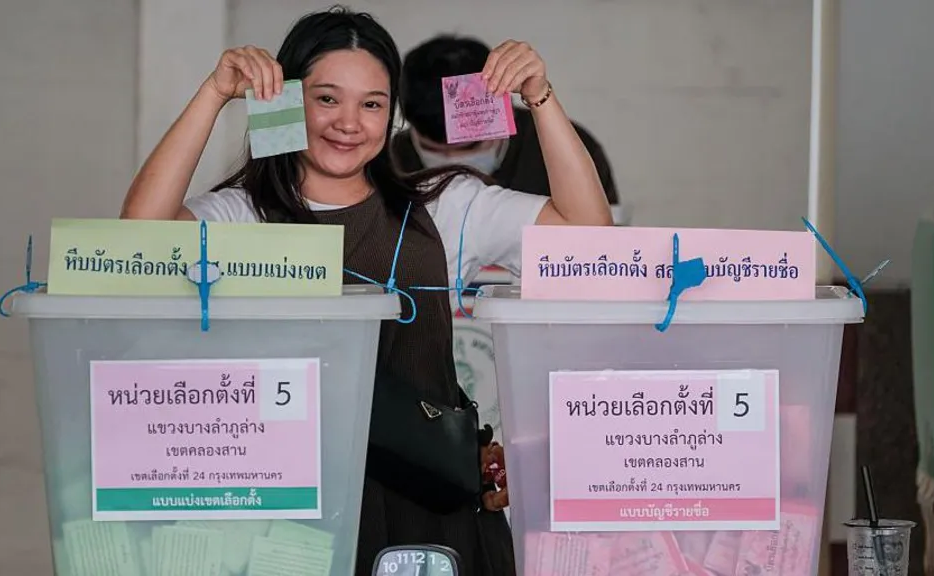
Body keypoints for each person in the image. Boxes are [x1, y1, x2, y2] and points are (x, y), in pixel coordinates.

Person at [120, 6, 612, 575]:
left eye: (372, 104)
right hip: (285, 522)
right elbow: (142, 240)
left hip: (430, 519)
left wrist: (541, 98)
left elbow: (586, 238)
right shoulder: (241, 216)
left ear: (391, 115)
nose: (348, 123)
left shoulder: (443, 207)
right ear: (284, 100)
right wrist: (213, 94)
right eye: (326, 98)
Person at [394, 34, 619, 204]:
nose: (454, 162)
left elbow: (599, 236)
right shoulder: (387, 159)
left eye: (472, 148)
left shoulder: (563, 148)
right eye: (434, 152)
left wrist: (539, 95)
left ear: (499, 112)